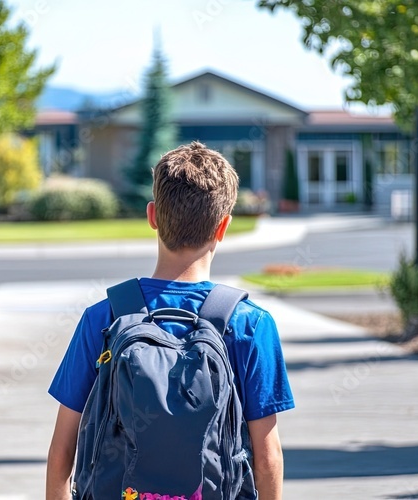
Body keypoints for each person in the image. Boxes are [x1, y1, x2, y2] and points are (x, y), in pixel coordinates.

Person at [45, 142, 294, 499]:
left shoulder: (105, 316)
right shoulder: (249, 323)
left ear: (152, 217)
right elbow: (267, 457)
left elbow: (61, 454)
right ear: (223, 227)